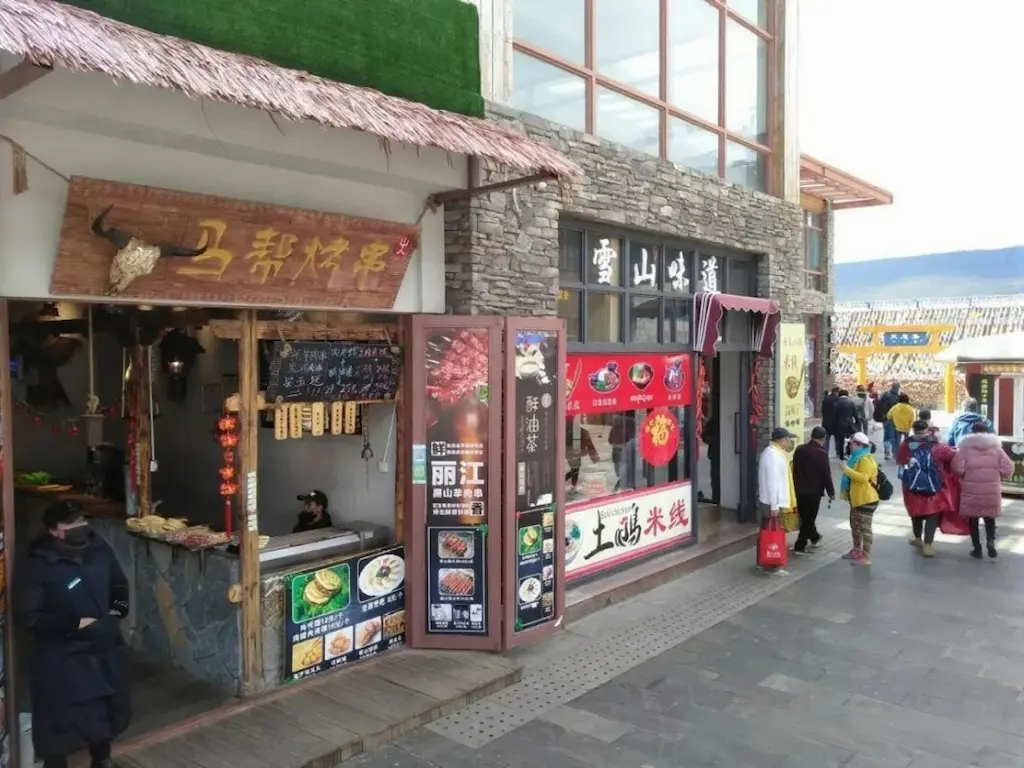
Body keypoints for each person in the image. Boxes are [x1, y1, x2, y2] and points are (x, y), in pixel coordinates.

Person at [15, 501, 130, 768]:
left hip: (103, 646)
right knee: (61, 723)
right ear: (55, 531)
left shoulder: (99, 548)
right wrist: (74, 624)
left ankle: (101, 759)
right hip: (62, 658)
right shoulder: (37, 564)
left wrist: (116, 613)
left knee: (104, 713)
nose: (80, 527)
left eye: (81, 521)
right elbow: (28, 616)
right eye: (71, 524)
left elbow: (119, 585)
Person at [951, 421, 1013, 559]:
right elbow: (1008, 468)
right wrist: (997, 475)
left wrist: (965, 474)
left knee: (973, 519)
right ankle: (990, 541)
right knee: (989, 518)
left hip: (971, 489)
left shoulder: (964, 449)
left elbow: (956, 468)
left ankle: (977, 549)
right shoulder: (996, 449)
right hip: (991, 489)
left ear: (971, 432)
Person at [897, 420, 957, 557]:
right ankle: (928, 545)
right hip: (932, 485)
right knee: (932, 513)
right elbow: (952, 455)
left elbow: (900, 460)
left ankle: (917, 538)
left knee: (915, 512)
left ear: (913, 429)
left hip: (911, 485)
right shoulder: (936, 446)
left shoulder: (906, 444)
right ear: (927, 430)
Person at [757, 426, 798, 575]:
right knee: (771, 533)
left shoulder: (775, 453)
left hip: (771, 500)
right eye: (788, 439)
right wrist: (774, 505)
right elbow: (772, 482)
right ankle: (772, 565)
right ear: (781, 440)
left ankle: (764, 562)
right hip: (771, 502)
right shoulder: (772, 456)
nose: (789, 442)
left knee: (767, 532)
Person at [792, 425, 835, 554]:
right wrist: (831, 492)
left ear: (811, 436)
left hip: (798, 489)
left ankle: (815, 537)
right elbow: (826, 474)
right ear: (824, 438)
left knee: (805, 517)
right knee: (809, 518)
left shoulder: (799, 449)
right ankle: (800, 545)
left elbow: (794, 469)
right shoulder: (822, 453)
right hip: (813, 491)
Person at [840, 431, 880, 566]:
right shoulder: (855, 458)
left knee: (865, 528)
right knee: (855, 526)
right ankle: (857, 550)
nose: (849, 446)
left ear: (858, 444)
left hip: (866, 499)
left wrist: (846, 470)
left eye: (851, 444)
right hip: (857, 499)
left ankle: (866, 556)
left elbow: (863, 478)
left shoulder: (865, 459)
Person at [874, 381, 901, 459]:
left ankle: (887, 452)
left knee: (887, 435)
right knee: (896, 436)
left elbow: (878, 404)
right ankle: (895, 452)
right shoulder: (900, 397)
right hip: (896, 419)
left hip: (885, 418)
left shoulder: (885, 394)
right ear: (898, 388)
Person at [886, 393, 915, 458]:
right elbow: (913, 418)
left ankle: (896, 454)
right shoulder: (910, 408)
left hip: (897, 427)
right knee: (907, 442)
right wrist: (910, 426)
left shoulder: (895, 407)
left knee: (897, 442)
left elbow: (888, 416)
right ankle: (906, 454)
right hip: (907, 428)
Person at [833, 390, 859, 461]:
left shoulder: (836, 403)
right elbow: (855, 414)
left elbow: (834, 415)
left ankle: (841, 455)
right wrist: (858, 423)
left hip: (839, 424)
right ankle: (848, 452)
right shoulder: (851, 402)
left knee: (840, 441)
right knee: (850, 439)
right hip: (849, 424)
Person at [821, 387, 840, 454]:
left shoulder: (826, 398)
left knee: (826, 438)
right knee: (837, 439)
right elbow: (838, 411)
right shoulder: (837, 399)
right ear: (836, 392)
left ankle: (825, 452)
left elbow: (822, 410)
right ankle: (838, 453)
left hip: (826, 421)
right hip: (835, 422)